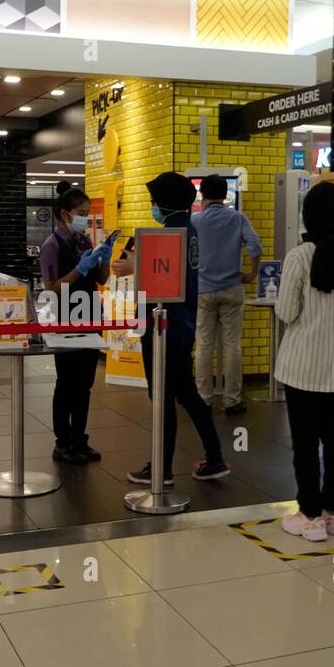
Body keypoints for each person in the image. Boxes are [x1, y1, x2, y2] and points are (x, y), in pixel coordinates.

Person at [113, 172, 229, 484]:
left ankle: (162, 468)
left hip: (165, 327)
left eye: (154, 201)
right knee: (187, 395)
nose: (153, 206)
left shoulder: (173, 233)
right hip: (181, 324)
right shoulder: (186, 229)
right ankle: (214, 457)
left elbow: (164, 281)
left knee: (163, 397)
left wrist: (133, 266)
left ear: (164, 202)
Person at [275, 182, 334, 542]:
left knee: (305, 442)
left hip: (302, 367)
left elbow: (285, 312)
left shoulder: (299, 256)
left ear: (307, 213)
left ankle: (309, 517)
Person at [39, 187, 111, 464]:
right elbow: (51, 289)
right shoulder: (51, 246)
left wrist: (104, 257)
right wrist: (79, 269)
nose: (85, 219)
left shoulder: (84, 241)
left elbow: (101, 280)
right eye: (81, 214)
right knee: (66, 383)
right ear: (64, 214)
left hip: (92, 316)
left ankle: (80, 440)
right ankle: (63, 442)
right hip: (65, 319)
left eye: (87, 214)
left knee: (85, 383)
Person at [192, 173, 263, 415]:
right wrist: (252, 272)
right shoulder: (237, 218)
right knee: (232, 346)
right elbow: (255, 245)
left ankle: (203, 398)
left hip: (203, 290)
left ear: (202, 194)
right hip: (232, 288)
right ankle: (232, 400)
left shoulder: (195, 221)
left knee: (203, 345)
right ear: (226, 195)